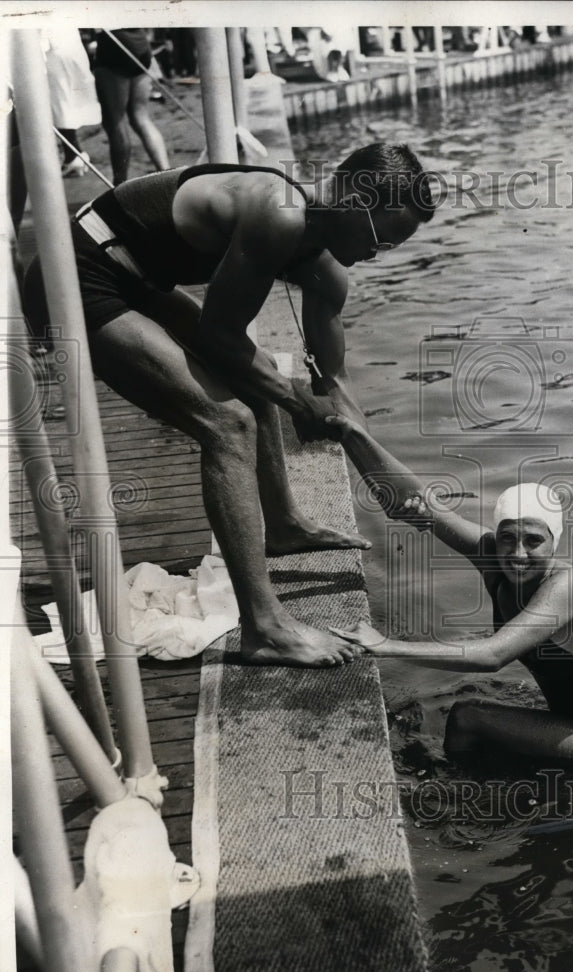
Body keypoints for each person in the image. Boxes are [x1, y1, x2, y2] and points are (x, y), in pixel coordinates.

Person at [22, 143, 435, 668]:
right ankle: (264, 628)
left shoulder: (326, 270)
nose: (378, 254)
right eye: (381, 239)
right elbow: (221, 338)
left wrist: (389, 478)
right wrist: (296, 403)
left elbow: (335, 381)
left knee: (258, 382)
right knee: (228, 423)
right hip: (78, 272)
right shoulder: (278, 213)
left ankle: (283, 528)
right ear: (354, 199)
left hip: (141, 280)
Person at [328, 417, 573, 768]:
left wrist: (384, 646)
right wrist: (353, 436)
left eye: (534, 541)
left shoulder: (569, 588)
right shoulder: (492, 554)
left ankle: (460, 801)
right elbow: (420, 503)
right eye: (507, 538)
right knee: (475, 723)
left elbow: (492, 656)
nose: (517, 554)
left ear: (554, 542)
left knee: (468, 719)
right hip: (572, 724)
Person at [92, 28, 170, 184]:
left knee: (116, 122)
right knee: (140, 117)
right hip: (140, 42)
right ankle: (168, 177)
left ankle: (119, 186)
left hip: (114, 43)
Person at [42, 28, 101, 177]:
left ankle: (73, 155)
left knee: (61, 107)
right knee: (65, 107)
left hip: (55, 54)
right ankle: (73, 155)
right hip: (70, 49)